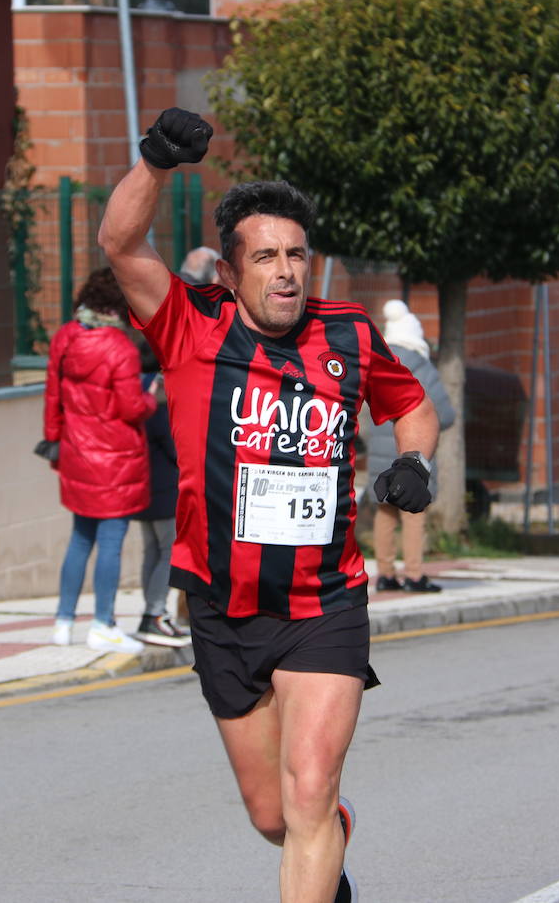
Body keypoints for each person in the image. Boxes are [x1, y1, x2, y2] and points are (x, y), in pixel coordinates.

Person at [98, 107, 438, 903]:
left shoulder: (348, 335)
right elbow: (120, 244)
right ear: (230, 273)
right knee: (273, 815)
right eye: (266, 258)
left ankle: (319, 842)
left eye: (296, 256)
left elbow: (411, 404)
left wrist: (416, 461)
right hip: (221, 602)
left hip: (325, 602)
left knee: (310, 789)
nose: (285, 272)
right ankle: (325, 857)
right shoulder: (189, 328)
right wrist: (152, 163)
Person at [42, 267, 157, 656]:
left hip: (77, 454)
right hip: (116, 460)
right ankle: (103, 624)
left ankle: (63, 621)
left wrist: (54, 441)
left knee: (79, 539)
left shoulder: (65, 338)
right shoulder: (120, 348)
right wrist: (151, 397)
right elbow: (130, 407)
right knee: (111, 542)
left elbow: (52, 397)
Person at [366, 298, 456, 593]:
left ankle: (385, 574)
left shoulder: (379, 360)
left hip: (380, 456)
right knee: (413, 513)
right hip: (413, 455)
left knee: (385, 512)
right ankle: (415, 575)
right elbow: (443, 413)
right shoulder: (420, 365)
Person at [131, 338, 191, 646]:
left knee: (151, 551)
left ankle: (152, 611)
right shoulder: (161, 399)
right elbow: (174, 447)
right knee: (168, 552)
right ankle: (154, 614)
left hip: (143, 486)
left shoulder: (134, 393)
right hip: (166, 489)